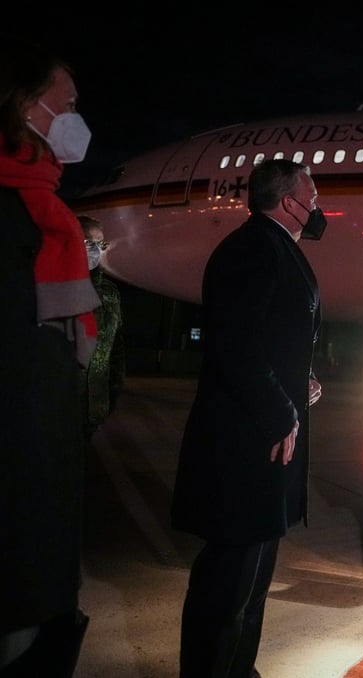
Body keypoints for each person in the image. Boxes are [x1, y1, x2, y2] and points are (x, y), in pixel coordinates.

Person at [171, 158, 326, 677]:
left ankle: (238, 670)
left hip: (265, 442)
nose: (318, 207)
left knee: (253, 581)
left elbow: (272, 339)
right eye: (312, 197)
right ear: (289, 202)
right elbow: (236, 347)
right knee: (227, 584)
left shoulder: (274, 247)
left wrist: (300, 380)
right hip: (245, 444)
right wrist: (281, 412)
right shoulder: (250, 250)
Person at [0, 35, 98, 677]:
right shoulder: (17, 215)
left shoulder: (44, 211)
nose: (75, 118)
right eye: (67, 103)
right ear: (26, 107)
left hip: (37, 494)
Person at [78, 215, 125, 434]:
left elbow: (116, 347)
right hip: (60, 404)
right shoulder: (56, 288)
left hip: (93, 406)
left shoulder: (109, 293)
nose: (96, 251)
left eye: (101, 244)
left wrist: (114, 391)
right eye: (89, 243)